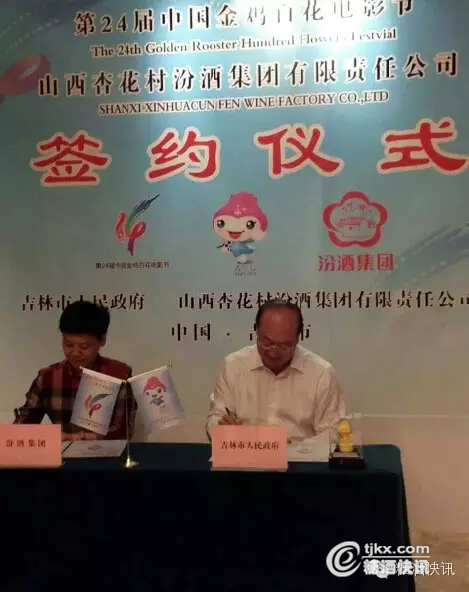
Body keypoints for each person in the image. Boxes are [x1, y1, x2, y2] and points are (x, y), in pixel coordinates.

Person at [206, 299, 345, 441]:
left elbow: (332, 433)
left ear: (298, 338)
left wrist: (293, 448)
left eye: (284, 346)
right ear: (256, 331)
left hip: (301, 454)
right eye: (267, 343)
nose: (274, 353)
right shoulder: (233, 366)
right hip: (245, 451)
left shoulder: (321, 373)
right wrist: (222, 429)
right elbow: (216, 417)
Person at [14, 300, 136, 441]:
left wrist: (72, 437)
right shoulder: (48, 377)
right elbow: (23, 425)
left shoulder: (118, 374)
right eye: (69, 345)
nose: (75, 353)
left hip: (107, 454)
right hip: (62, 454)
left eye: (84, 347)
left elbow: (122, 432)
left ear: (102, 340)